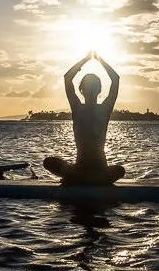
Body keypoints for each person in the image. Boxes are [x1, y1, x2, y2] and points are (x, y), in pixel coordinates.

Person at [43, 51, 126, 186]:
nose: (91, 90)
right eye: (88, 87)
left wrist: (99, 60)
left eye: (93, 87)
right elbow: (67, 78)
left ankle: (78, 178)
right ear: (82, 90)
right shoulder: (78, 108)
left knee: (120, 170)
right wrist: (86, 59)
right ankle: (88, 178)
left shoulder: (102, 109)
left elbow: (115, 79)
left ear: (99, 90)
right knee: (48, 162)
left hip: (98, 169)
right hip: (81, 167)